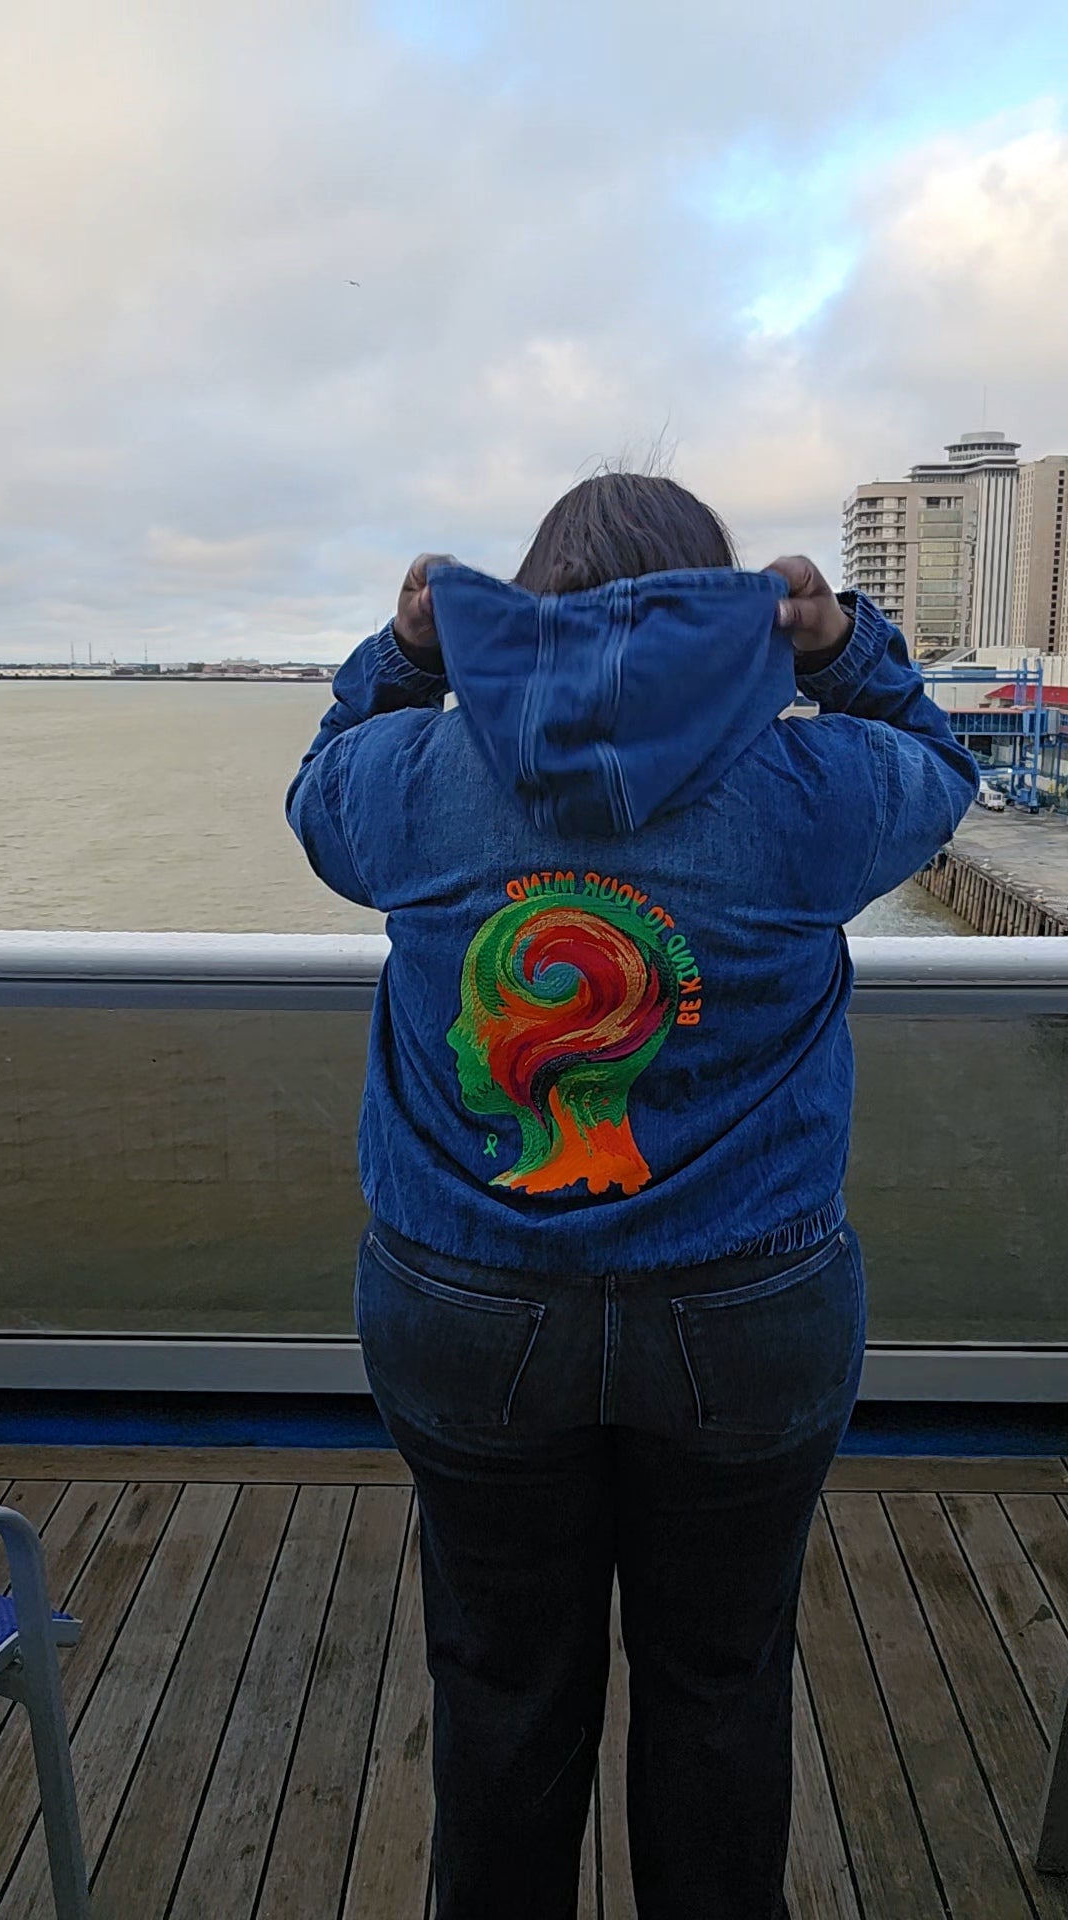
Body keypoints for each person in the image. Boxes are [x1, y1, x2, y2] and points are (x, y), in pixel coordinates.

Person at [286, 472, 977, 1920]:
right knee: (720, 1680)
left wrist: (404, 658)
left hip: (466, 1308)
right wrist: (843, 649)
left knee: (499, 1678)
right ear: (725, 622)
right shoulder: (811, 793)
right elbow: (937, 763)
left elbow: (318, 794)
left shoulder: (415, 779)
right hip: (748, 1311)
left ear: (516, 611)